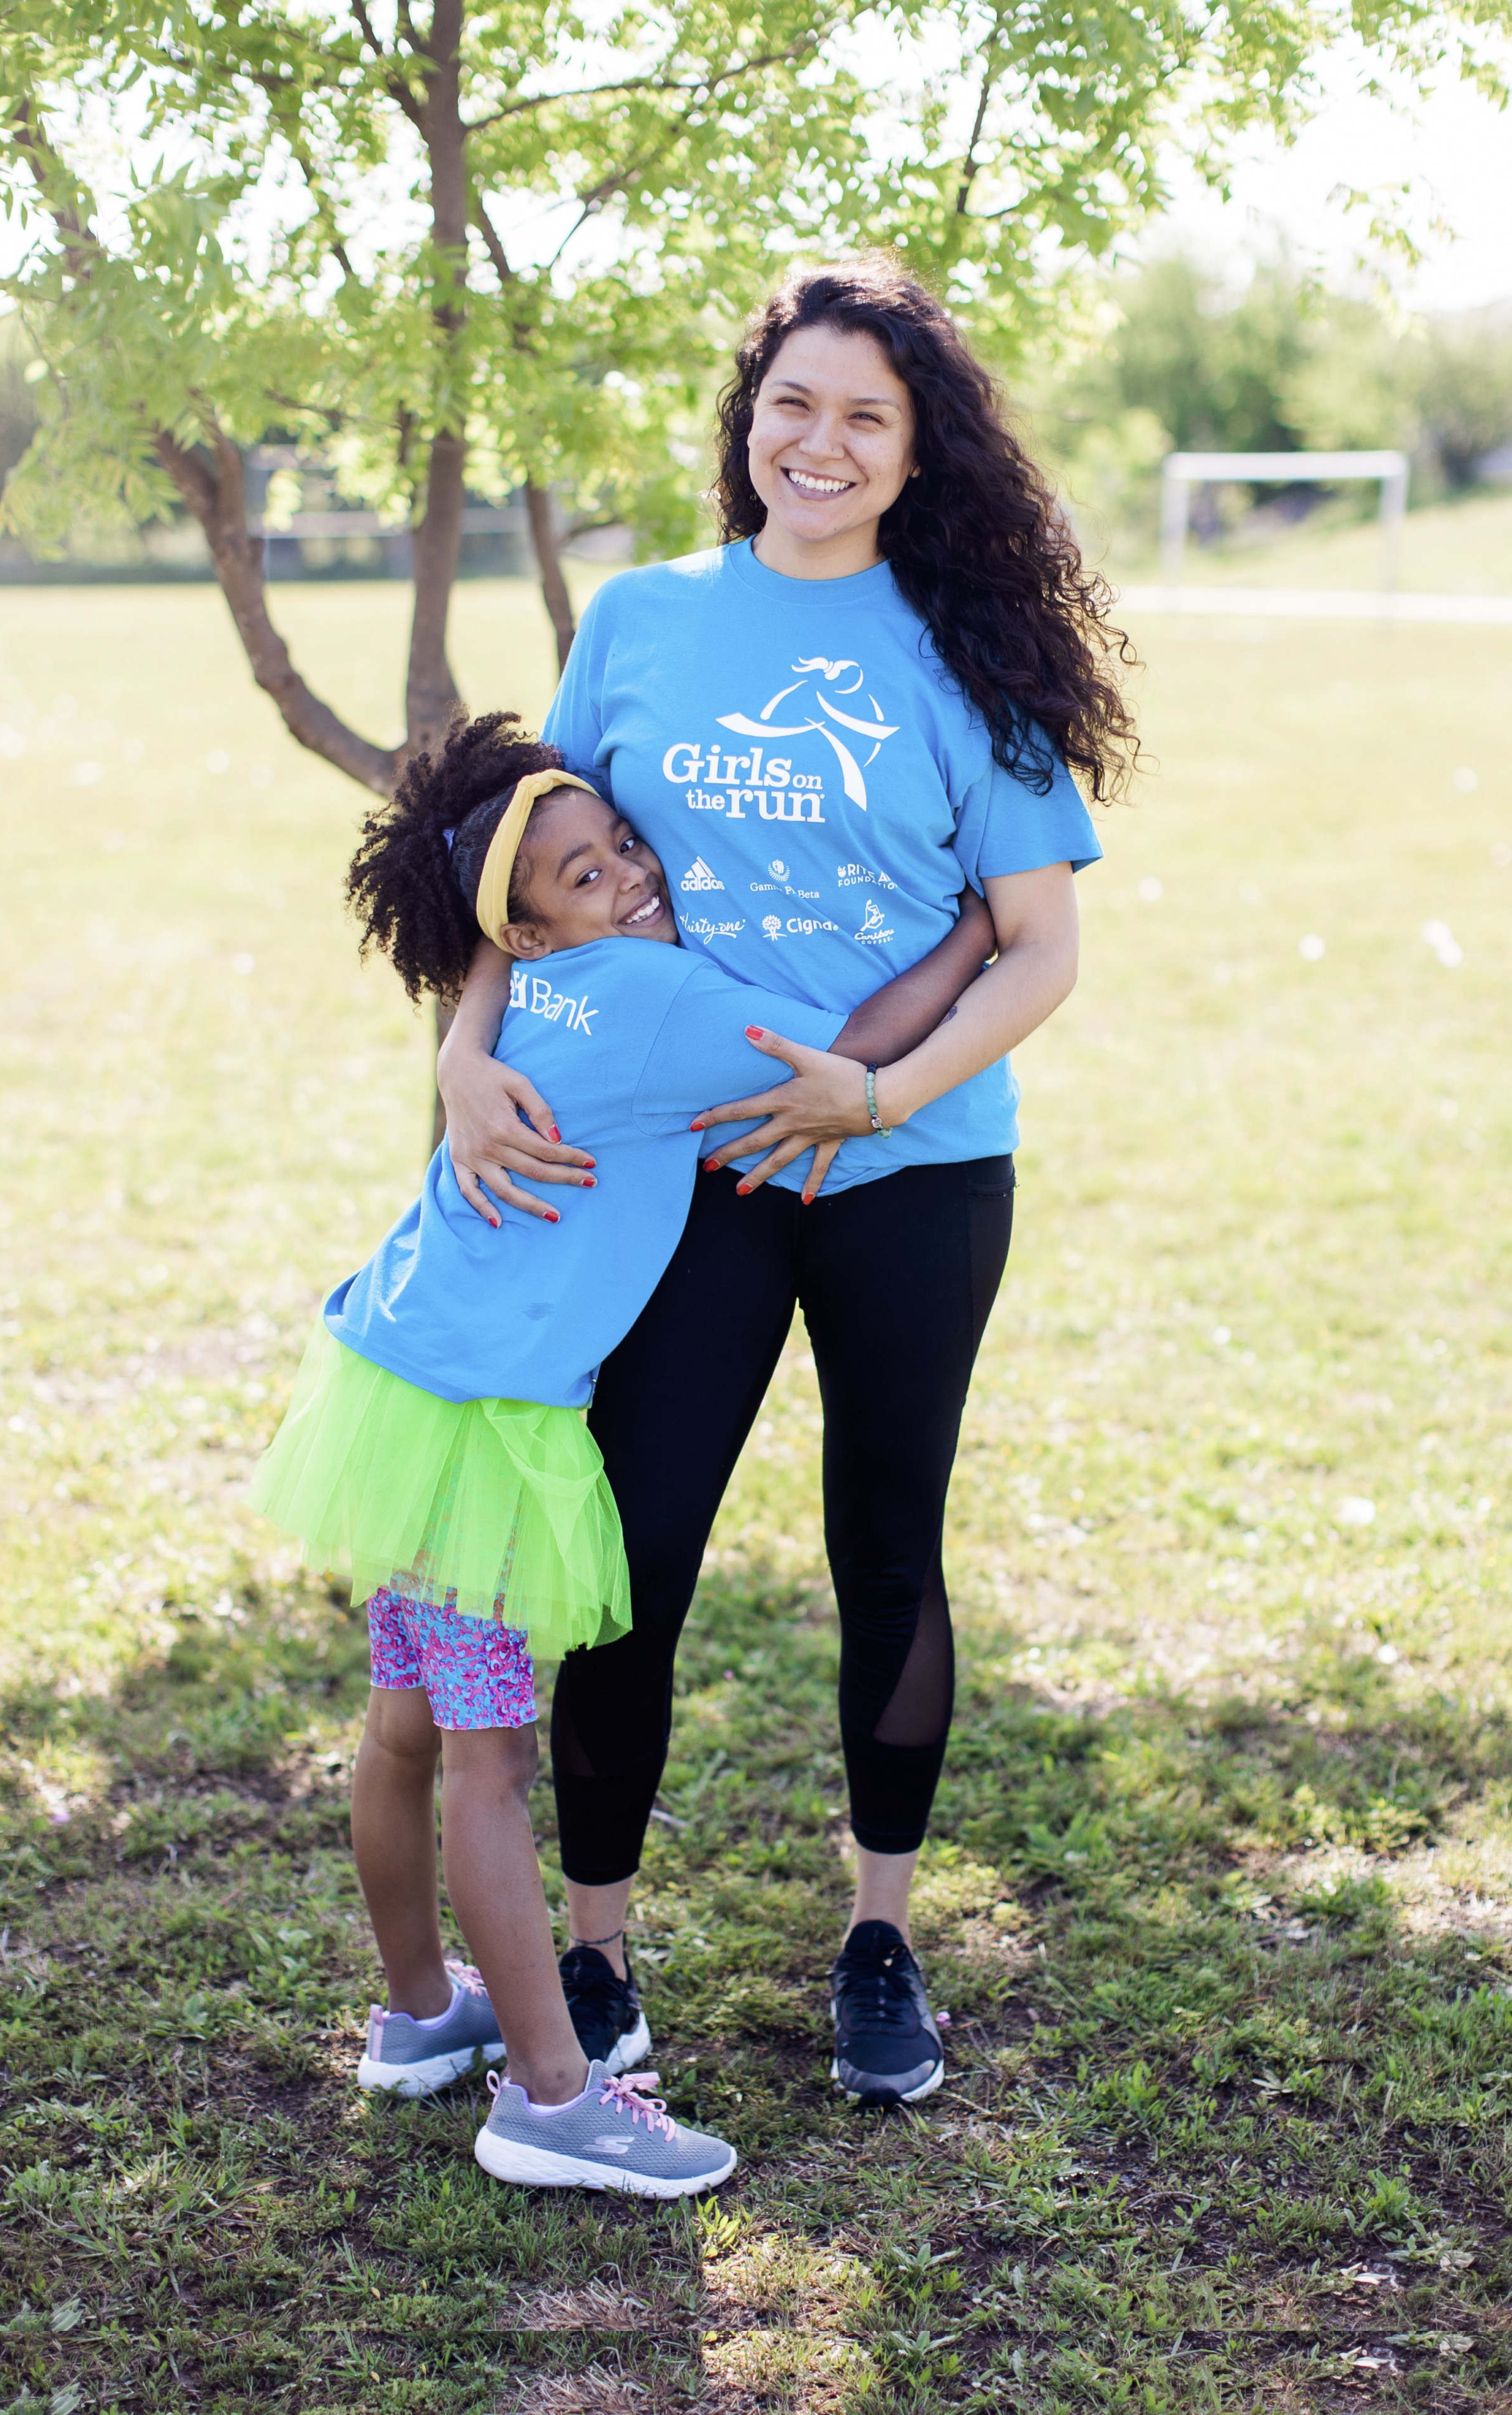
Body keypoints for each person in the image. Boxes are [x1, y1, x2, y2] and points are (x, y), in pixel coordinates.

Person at [434, 258, 1135, 2108]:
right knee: (632, 1553)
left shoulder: (968, 645)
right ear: (748, 421)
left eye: (865, 418)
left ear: (917, 455)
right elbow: (525, 869)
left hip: (914, 1169)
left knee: (886, 1551)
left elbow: (1037, 947)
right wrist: (461, 1054)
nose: (820, 445)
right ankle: (593, 1956)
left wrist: (875, 1089)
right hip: (683, 1172)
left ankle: (882, 1935)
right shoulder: (647, 621)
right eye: (793, 406)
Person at [249, 710, 995, 2189]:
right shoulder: (655, 1001)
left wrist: (488, 979)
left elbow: (504, 954)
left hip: (399, 1377)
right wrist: (974, 937)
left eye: (623, 847)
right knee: (485, 1762)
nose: (631, 876)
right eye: (585, 876)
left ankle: (415, 2018)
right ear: (524, 927)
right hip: (484, 1420)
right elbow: (832, 1055)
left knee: (402, 1726)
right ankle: (546, 2097)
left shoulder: (530, 994)